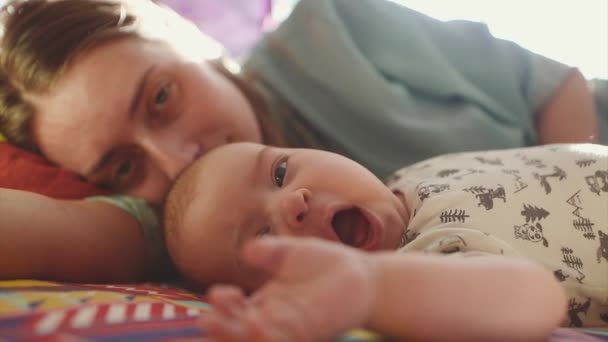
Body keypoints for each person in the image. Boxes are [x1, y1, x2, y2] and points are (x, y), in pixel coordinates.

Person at [0, 0, 603, 282]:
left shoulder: (331, 30)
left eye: (161, 98)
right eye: (123, 167)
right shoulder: (191, 231)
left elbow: (553, 85)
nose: (178, 158)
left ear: (185, 41)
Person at [163, 142, 608, 341]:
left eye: (280, 172)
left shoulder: (407, 176)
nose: (291, 204)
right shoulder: (428, 272)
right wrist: (371, 288)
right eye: (263, 236)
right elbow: (533, 299)